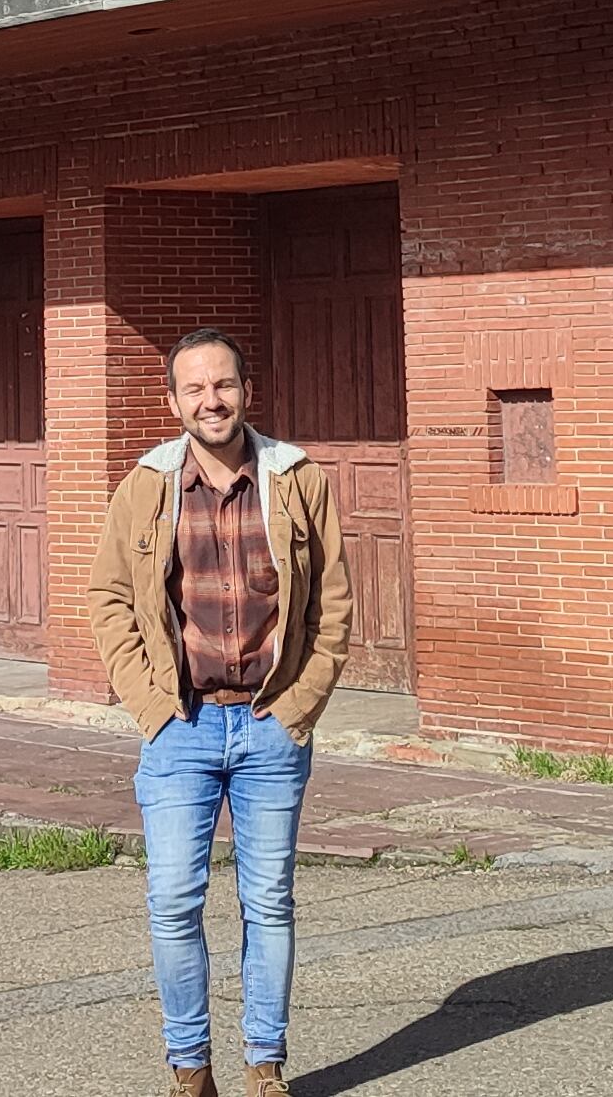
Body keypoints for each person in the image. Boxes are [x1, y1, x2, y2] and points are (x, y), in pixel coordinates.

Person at [85, 326, 354, 1097]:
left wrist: (297, 708)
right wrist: (151, 707)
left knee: (269, 901)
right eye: (196, 388)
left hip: (271, 726)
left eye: (225, 385)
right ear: (172, 402)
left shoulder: (297, 479)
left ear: (247, 391)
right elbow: (108, 602)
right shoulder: (145, 487)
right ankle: (190, 1070)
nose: (213, 400)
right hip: (182, 726)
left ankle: (265, 1067)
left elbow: (333, 607)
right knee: (174, 900)